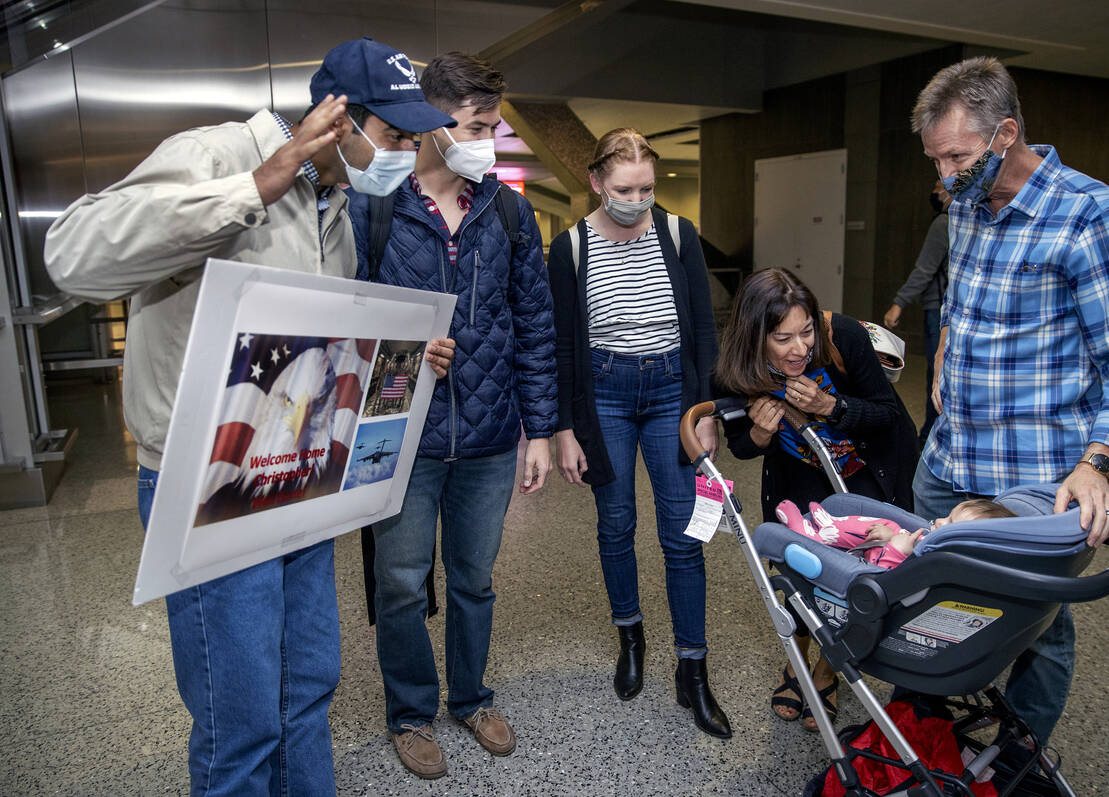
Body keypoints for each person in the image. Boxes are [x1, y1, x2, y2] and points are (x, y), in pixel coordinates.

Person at [42, 37, 455, 796]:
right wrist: (256, 187)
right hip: (209, 490)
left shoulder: (342, 208)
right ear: (341, 122)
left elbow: (308, 350)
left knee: (307, 691)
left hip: (297, 482)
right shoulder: (219, 154)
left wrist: (397, 362)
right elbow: (71, 255)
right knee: (241, 718)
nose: (405, 152)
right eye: (396, 135)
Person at [911, 56, 1109, 743]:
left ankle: (1020, 760)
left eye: (957, 156)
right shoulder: (965, 205)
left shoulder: (1092, 214)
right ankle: (927, 734)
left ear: (1006, 134)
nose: (945, 176)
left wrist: (1097, 462)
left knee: (1036, 628)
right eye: (936, 160)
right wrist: (943, 349)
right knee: (921, 602)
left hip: (1031, 475)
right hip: (947, 457)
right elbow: (961, 302)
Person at [348, 51, 557, 780]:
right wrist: (403, 349)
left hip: (493, 436)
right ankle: (410, 711)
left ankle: (472, 696)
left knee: (474, 576)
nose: (488, 140)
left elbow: (534, 324)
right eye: (476, 125)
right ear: (432, 123)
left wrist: (539, 428)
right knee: (400, 582)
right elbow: (342, 324)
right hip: (403, 437)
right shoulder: (373, 208)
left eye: (494, 127)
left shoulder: (507, 210)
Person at [548, 129, 728, 738]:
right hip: (604, 396)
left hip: (671, 396)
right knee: (616, 523)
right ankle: (631, 637)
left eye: (647, 188)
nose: (638, 199)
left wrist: (707, 412)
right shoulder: (571, 247)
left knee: (683, 535)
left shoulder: (676, 235)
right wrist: (566, 430)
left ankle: (693, 669)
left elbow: (704, 329)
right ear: (597, 182)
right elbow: (563, 349)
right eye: (625, 189)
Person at [716, 267, 919, 731]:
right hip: (799, 473)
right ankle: (798, 662)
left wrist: (832, 407)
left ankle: (828, 672)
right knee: (799, 570)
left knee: (856, 575)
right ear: (755, 337)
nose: (800, 348)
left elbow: (889, 415)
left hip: (869, 470)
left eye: (806, 332)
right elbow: (741, 447)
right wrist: (761, 432)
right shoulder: (735, 367)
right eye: (783, 338)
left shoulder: (842, 337)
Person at [883, 182, 951, 444]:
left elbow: (925, 270)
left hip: (939, 309)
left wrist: (898, 303)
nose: (934, 192)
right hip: (952, 309)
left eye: (937, 187)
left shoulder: (943, 223)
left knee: (937, 375)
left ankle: (930, 440)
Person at [775, 497, 1016, 570]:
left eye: (949, 523)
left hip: (871, 570)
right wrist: (890, 537)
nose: (939, 521)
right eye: (947, 515)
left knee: (883, 532)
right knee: (887, 526)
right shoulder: (937, 547)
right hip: (885, 548)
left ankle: (813, 536)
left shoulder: (938, 566)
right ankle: (833, 525)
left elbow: (887, 580)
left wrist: (893, 550)